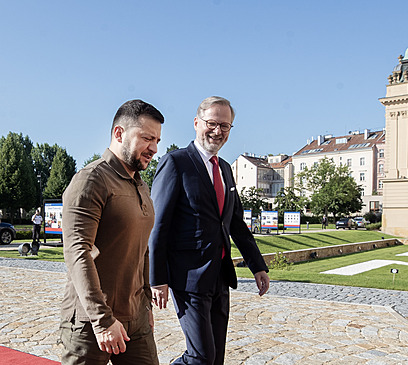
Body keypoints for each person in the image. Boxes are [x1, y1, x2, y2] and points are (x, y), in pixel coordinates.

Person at [149, 96, 270, 365]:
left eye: (225, 126)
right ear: (196, 123)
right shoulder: (175, 163)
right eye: (212, 123)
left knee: (216, 358)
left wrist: (257, 266)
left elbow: (235, 223)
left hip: (219, 276)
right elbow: (158, 225)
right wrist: (157, 278)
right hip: (187, 277)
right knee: (201, 357)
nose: (218, 131)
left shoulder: (225, 169)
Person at [59, 99, 164, 365]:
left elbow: (142, 250)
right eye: (146, 138)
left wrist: (146, 305)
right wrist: (102, 321)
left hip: (136, 319)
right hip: (90, 323)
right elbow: (77, 252)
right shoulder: (91, 180)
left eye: (157, 141)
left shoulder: (140, 184)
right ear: (119, 133)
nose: (153, 148)